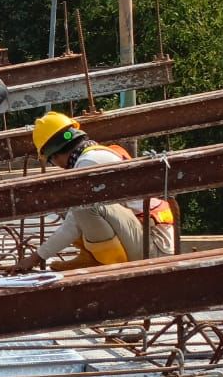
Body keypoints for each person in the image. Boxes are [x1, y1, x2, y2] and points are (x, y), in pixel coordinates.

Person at [13, 112, 176, 271]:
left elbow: (73, 225)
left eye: (52, 161)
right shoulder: (96, 154)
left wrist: (35, 258)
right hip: (145, 237)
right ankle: (92, 257)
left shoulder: (89, 163)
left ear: (55, 155)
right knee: (76, 205)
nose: (58, 166)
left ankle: (105, 264)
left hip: (153, 246)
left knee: (84, 206)